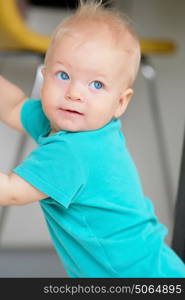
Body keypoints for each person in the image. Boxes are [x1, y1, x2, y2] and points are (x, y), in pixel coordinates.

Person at [0, 0, 185, 278]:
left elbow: (11, 191)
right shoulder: (68, 121)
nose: (74, 93)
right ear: (44, 76)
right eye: (63, 75)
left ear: (120, 102)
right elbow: (13, 106)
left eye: (96, 85)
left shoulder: (74, 151)